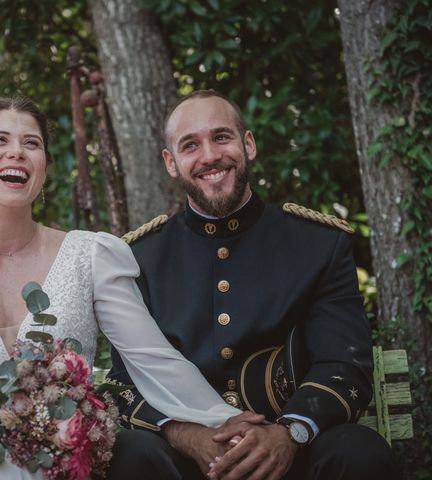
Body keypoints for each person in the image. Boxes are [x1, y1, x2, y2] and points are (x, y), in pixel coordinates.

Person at [0, 96, 256, 480]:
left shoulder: (90, 257)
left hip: (63, 460)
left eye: (31, 144)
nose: (17, 153)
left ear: (43, 169)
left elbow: (153, 359)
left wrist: (229, 420)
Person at [106, 89, 401, 480]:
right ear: (171, 163)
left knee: (360, 452)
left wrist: (289, 434)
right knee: (127, 453)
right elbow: (124, 381)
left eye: (221, 137)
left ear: (248, 144)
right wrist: (188, 436)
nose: (209, 155)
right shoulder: (139, 258)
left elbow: (343, 362)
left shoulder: (317, 244)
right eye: (190, 145)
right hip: (187, 464)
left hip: (295, 455)